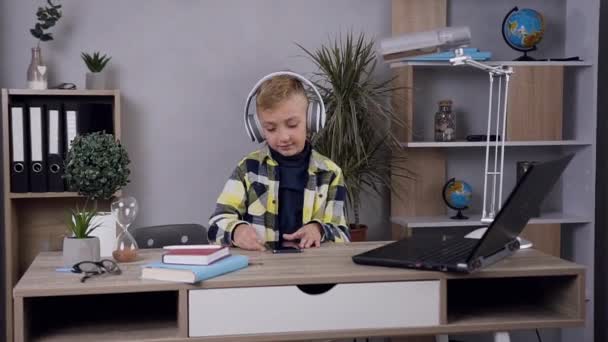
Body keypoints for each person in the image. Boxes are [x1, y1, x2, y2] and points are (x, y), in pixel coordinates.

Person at [208, 71, 350, 251]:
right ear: (258, 129)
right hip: (262, 274)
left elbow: (342, 234)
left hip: (313, 272)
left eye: (292, 125)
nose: (283, 137)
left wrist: (318, 229)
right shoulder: (248, 169)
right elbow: (215, 225)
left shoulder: (330, 173)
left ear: (311, 120)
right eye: (271, 128)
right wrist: (236, 231)